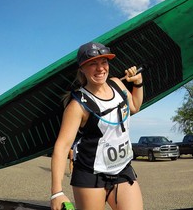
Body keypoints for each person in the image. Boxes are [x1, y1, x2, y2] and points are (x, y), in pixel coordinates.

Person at [50, 42, 144, 210]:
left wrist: (138, 83)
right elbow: (62, 147)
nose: (100, 68)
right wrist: (57, 192)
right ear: (82, 69)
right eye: (93, 63)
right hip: (90, 175)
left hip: (122, 170)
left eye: (104, 62)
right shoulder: (77, 105)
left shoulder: (117, 83)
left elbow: (135, 107)